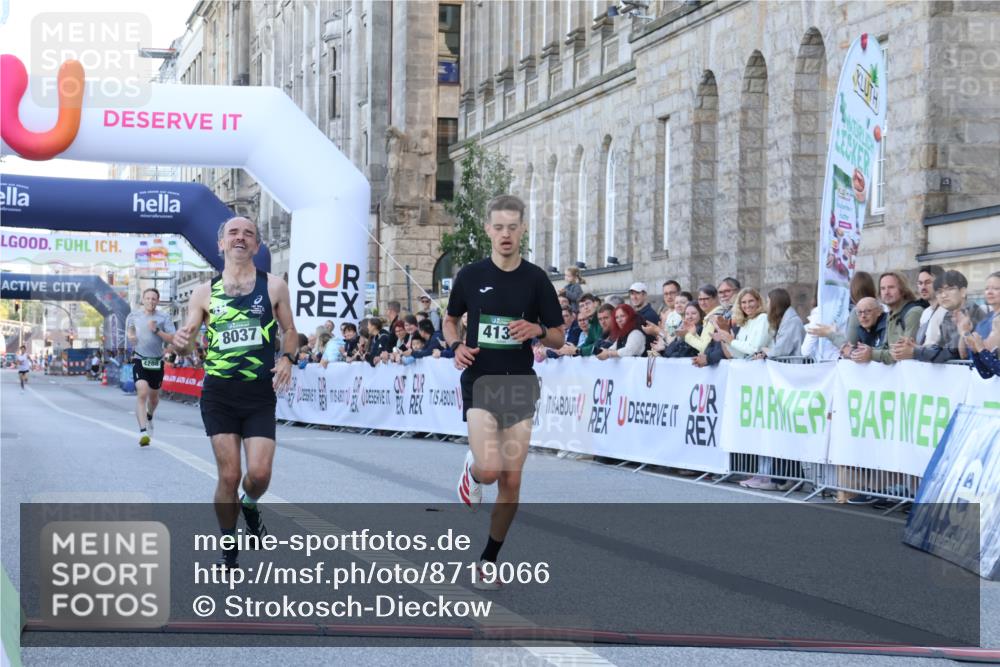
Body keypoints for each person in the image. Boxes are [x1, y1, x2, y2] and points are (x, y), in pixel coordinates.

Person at [444, 194, 564, 590]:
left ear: (523, 229)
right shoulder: (471, 276)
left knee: (512, 480)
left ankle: (488, 560)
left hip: (519, 384)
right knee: (491, 470)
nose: (506, 234)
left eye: (513, 227)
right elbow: (450, 320)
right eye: (499, 227)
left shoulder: (536, 279)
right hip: (480, 379)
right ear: (488, 230)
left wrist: (539, 332)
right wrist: (455, 346)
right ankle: (473, 471)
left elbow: (560, 337)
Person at [172, 216, 298, 569]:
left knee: (258, 475)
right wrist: (183, 342)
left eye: (248, 234)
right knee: (228, 475)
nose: (240, 238)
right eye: (233, 233)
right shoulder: (202, 293)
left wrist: (287, 358)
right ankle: (228, 539)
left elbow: (290, 330)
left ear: (257, 245)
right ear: (221, 244)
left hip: (258, 393)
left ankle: (250, 503)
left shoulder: (273, 286)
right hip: (220, 394)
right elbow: (188, 341)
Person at [893, 270, 984, 364]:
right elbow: (939, 348)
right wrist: (916, 348)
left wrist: (915, 352)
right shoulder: (948, 314)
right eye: (940, 291)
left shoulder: (972, 312)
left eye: (950, 289)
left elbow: (952, 353)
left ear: (963, 292)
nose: (944, 295)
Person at [125, 288, 176, 446]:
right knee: (142, 392)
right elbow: (130, 332)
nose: (150, 301)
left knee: (153, 398)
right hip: (139, 358)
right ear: (143, 299)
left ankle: (149, 415)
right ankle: (143, 433)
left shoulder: (163, 317)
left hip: (156, 361)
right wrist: (132, 337)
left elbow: (172, 338)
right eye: (148, 298)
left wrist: (157, 331)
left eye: (154, 299)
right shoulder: (133, 316)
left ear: (158, 301)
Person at [858, 272, 923, 365]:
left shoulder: (913, 313)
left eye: (891, 287)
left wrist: (871, 354)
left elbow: (901, 353)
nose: (886, 292)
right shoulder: (891, 314)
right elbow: (885, 347)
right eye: (883, 288)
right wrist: (862, 351)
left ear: (903, 290)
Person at [712, 288, 771, 359]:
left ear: (758, 302)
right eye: (743, 302)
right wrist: (726, 340)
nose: (747, 305)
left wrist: (731, 340)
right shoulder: (745, 322)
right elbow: (739, 355)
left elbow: (755, 349)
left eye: (751, 301)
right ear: (739, 305)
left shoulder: (763, 318)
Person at [759, 288, 804, 359]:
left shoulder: (792, 321)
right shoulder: (785, 319)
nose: (766, 306)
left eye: (767, 302)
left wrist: (765, 350)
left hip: (792, 366)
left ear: (774, 303)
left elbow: (781, 350)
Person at [844, 297, 887, 362]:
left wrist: (851, 352)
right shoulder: (862, 329)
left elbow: (885, 352)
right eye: (859, 312)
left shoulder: (888, 324)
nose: (863, 316)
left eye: (868, 311)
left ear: (879, 311)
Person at [915, 265, 945, 345]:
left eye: (928, 282)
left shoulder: (947, 311)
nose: (923, 287)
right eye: (920, 283)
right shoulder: (925, 313)